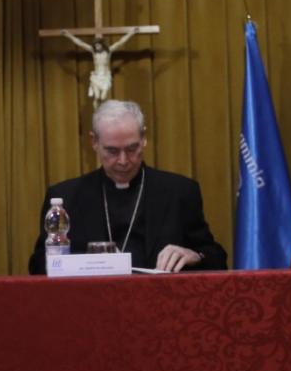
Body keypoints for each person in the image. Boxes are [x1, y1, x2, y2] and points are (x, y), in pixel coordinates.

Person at [28, 100, 227, 273]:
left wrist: (195, 255)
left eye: (132, 149)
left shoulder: (180, 192)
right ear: (94, 142)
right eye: (112, 151)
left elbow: (217, 258)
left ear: (144, 139)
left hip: (161, 305)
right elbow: (38, 266)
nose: (123, 161)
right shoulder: (66, 197)